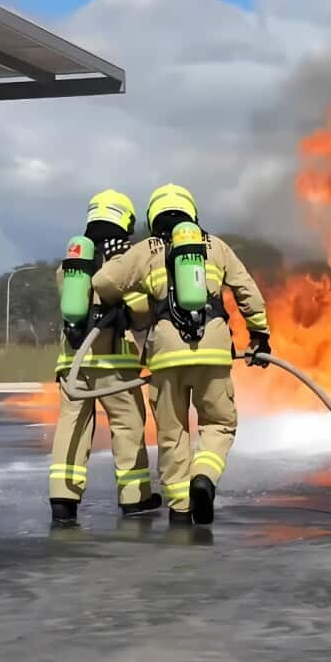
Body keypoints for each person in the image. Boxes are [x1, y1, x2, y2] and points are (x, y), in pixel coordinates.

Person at [92, 183, 271, 525]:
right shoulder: (216, 247)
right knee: (219, 423)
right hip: (214, 352)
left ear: (154, 215)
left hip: (166, 356)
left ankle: (179, 507)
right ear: (191, 212)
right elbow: (249, 292)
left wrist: (135, 297)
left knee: (172, 434)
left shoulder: (148, 250)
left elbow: (103, 283)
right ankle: (204, 477)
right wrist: (260, 335)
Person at [49, 189, 160, 527]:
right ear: (124, 220)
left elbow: (72, 308)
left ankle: (63, 500)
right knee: (128, 427)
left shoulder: (71, 266)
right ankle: (134, 498)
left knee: (71, 428)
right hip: (115, 365)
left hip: (73, 365)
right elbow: (140, 313)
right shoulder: (122, 263)